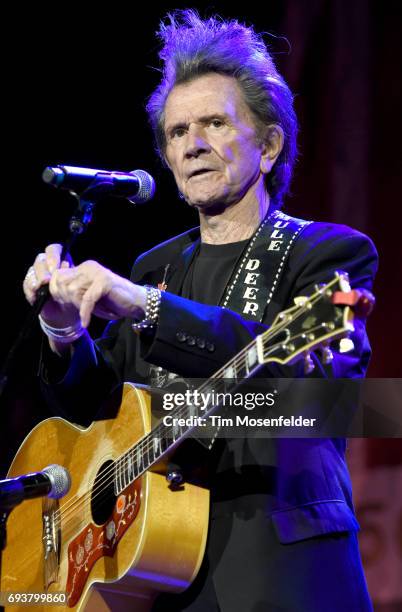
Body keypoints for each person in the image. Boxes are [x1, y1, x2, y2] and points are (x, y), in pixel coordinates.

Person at [23, 10, 377, 612]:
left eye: (214, 122)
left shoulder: (330, 252)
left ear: (268, 146)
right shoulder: (154, 265)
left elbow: (318, 402)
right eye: (178, 131)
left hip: (280, 569)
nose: (193, 144)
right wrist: (63, 332)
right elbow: (97, 416)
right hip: (154, 565)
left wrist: (148, 308)